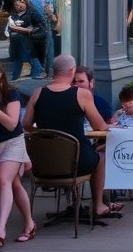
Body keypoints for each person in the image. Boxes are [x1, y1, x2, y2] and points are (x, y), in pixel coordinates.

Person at [23, 54, 124, 217]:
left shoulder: (37, 93)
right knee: (101, 157)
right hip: (76, 162)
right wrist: (110, 125)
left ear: (53, 71)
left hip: (45, 163)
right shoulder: (81, 95)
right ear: (72, 71)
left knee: (83, 153)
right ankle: (98, 205)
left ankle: (74, 204)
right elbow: (99, 126)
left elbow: (26, 124)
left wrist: (46, 134)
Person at [0, 60, 36, 245]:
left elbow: (12, 124)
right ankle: (29, 223)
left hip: (12, 142)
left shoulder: (10, 93)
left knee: (3, 180)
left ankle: (0, 230)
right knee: (15, 185)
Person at [6, 0, 43, 80]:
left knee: (30, 57)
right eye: (16, 4)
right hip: (16, 43)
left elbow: (39, 26)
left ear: (26, 4)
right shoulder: (13, 16)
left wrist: (29, 30)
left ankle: (38, 72)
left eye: (22, 3)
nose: (19, 5)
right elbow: (10, 28)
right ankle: (15, 77)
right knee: (17, 59)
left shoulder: (32, 14)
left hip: (28, 42)